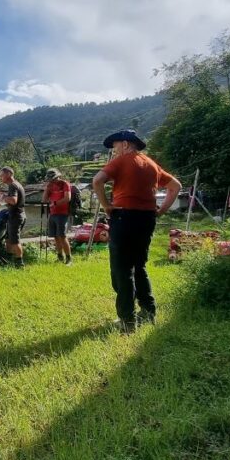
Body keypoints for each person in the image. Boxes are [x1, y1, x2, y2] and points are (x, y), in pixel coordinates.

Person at [93, 129, 181, 333]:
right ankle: (148, 312)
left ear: (125, 144)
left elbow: (97, 181)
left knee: (122, 269)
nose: (114, 151)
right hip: (147, 219)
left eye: (115, 146)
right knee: (139, 266)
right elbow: (175, 186)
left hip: (124, 218)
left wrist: (106, 206)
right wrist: (160, 211)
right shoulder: (151, 164)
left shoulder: (122, 161)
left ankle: (127, 320)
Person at [43, 168, 73, 265]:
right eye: (51, 179)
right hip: (53, 214)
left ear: (58, 176)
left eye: (53, 179)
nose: (52, 181)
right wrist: (47, 188)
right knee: (55, 237)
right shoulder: (50, 185)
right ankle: (60, 257)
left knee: (62, 236)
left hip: (62, 214)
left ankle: (69, 259)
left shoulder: (65, 184)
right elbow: (44, 200)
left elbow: (67, 198)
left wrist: (55, 203)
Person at [0, 166, 26, 268]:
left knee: (15, 240)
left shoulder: (13, 186)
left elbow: (14, 201)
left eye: (2, 175)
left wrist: (3, 197)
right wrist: (5, 198)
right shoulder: (16, 185)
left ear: (9, 174)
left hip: (16, 216)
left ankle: (19, 264)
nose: (1, 177)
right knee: (9, 239)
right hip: (16, 215)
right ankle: (8, 260)